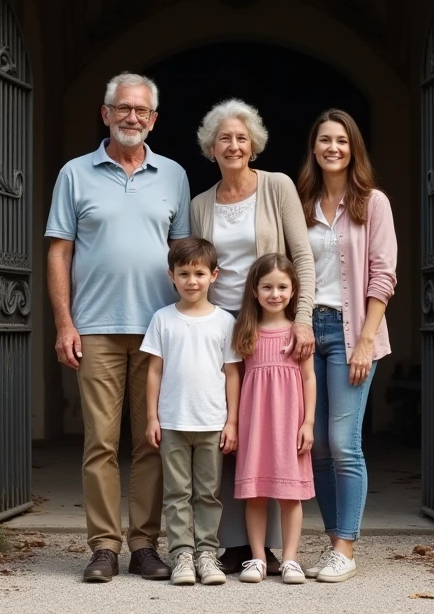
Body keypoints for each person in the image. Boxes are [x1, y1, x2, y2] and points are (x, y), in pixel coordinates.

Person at [45, 72, 191, 583]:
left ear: (154, 119)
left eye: (142, 111)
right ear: (105, 113)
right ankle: (104, 547)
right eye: (122, 108)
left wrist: (188, 328)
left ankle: (146, 545)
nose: (132, 117)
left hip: (157, 330)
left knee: (152, 441)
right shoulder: (75, 173)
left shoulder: (173, 174)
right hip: (97, 328)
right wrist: (65, 323)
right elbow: (59, 251)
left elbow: (184, 257)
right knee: (100, 444)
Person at [189, 98, 316, 574]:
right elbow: (196, 266)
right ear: (211, 147)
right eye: (225, 138)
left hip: (271, 324)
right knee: (225, 429)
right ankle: (230, 544)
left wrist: (301, 318)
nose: (234, 145)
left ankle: (277, 552)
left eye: (242, 138)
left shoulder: (277, 187)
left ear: (254, 145)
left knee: (274, 429)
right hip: (220, 327)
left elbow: (301, 258)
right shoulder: (201, 203)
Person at [295, 109, 397, 583]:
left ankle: (347, 548)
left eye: (341, 140)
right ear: (313, 148)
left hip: (352, 333)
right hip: (308, 333)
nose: (332, 148)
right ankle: (333, 541)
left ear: (353, 148)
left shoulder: (373, 203)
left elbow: (383, 276)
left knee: (342, 443)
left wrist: (365, 341)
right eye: (324, 140)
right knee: (313, 446)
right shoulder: (303, 201)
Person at [142, 237, 241, 586]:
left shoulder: (225, 322)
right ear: (171, 276)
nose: (191, 281)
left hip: (212, 423)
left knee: (208, 492)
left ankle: (207, 554)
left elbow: (232, 373)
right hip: (172, 421)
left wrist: (232, 421)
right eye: (183, 273)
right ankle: (182, 553)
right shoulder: (162, 319)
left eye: (199, 273)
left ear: (214, 275)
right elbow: (154, 370)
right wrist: (153, 417)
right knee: (177, 492)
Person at [231, 253, 316, 584]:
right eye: (267, 286)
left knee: (289, 493)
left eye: (282, 287)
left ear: (293, 290)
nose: (275, 294)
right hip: (256, 424)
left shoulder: (299, 333)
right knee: (255, 493)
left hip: (289, 425)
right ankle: (256, 558)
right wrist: (235, 423)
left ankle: (291, 559)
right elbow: (235, 378)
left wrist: (308, 422)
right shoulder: (246, 331)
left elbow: (309, 378)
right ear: (255, 290)